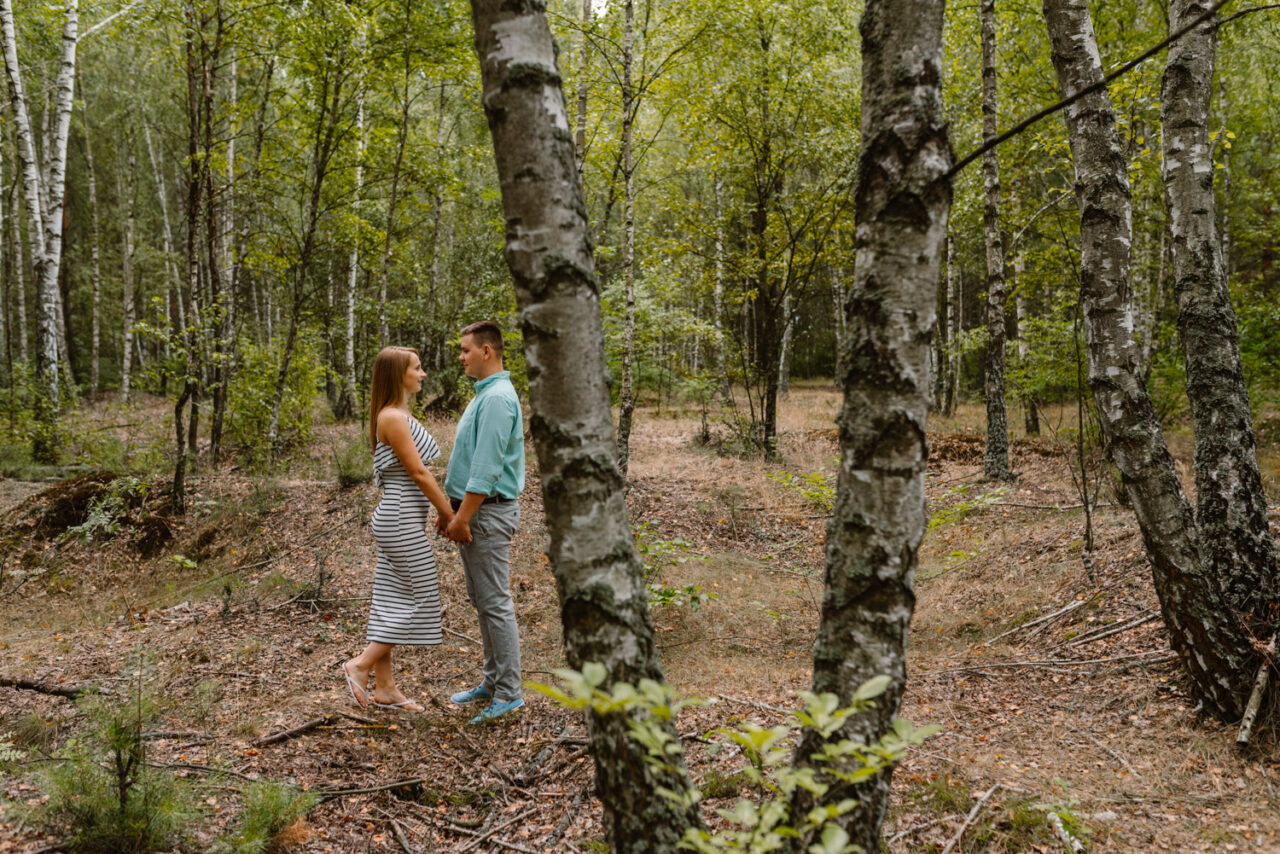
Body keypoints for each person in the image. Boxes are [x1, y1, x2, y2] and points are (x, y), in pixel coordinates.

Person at [341, 346, 453, 713]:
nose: (423, 374)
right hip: (401, 518)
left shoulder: (397, 414)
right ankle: (360, 665)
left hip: (400, 517)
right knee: (421, 596)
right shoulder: (392, 417)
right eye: (417, 369)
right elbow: (419, 474)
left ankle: (386, 688)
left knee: (390, 600)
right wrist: (449, 513)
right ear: (397, 375)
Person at [440, 321, 526, 724]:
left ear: (487, 351)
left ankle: (509, 693)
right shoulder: (485, 394)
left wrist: (462, 517)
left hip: (486, 513)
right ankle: (493, 682)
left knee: (494, 603)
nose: (461, 356)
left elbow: (487, 469)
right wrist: (453, 513)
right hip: (475, 512)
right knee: (483, 601)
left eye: (466, 350)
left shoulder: (496, 399)